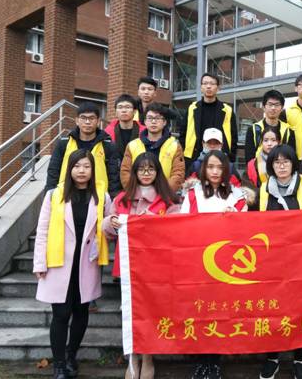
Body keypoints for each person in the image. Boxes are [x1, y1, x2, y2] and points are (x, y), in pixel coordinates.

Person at [33, 149, 111, 379]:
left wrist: (113, 223)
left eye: (86, 166)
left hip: (86, 263)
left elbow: (108, 228)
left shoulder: (102, 196)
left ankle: (70, 356)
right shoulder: (53, 195)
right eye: (77, 166)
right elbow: (42, 231)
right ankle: (58, 365)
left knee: (81, 312)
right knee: (60, 314)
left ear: (93, 170)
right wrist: (40, 263)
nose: (81, 171)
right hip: (58, 263)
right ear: (69, 169)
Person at [103, 152, 180, 379]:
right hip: (129, 268)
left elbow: (176, 229)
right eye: (141, 169)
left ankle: (148, 357)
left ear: (158, 172)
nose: (146, 173)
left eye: (151, 169)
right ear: (135, 172)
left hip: (156, 269)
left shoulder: (168, 200)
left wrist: (155, 223)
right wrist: (111, 222)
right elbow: (107, 229)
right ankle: (132, 359)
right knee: (129, 313)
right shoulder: (122, 199)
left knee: (151, 314)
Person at [251, 144, 302, 379]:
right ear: (271, 165)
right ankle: (272, 358)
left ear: (293, 164)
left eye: (286, 161)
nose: (281, 166)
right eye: (276, 162)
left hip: (301, 261)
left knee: (300, 309)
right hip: (271, 262)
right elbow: (253, 225)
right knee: (272, 309)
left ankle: (299, 359)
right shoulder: (263, 190)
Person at [180, 150, 247, 379]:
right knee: (199, 311)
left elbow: (245, 228)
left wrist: (234, 216)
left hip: (226, 265)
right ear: (204, 169)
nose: (215, 172)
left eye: (219, 167)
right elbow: (182, 226)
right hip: (197, 262)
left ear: (226, 169)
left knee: (220, 312)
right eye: (210, 167)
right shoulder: (193, 194)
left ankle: (215, 362)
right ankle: (200, 361)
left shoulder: (237, 196)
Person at [46, 101, 121, 199]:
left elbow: (113, 177)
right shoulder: (64, 143)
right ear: (77, 120)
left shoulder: (108, 145)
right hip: (66, 197)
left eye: (91, 118)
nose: (87, 122)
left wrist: (113, 200)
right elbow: (53, 172)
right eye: (83, 118)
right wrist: (50, 196)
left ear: (98, 121)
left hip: (98, 198)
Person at [120, 103, 185, 193]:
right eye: (150, 118)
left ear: (164, 122)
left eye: (157, 118)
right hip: (137, 196)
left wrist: (164, 193)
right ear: (145, 121)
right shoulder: (132, 145)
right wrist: (136, 193)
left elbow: (178, 174)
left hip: (165, 196)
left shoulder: (174, 146)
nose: (153, 121)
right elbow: (125, 172)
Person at [180, 72, 238, 169]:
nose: (208, 86)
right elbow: (183, 133)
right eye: (205, 83)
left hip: (221, 158)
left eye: (212, 83)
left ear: (218, 88)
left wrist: (231, 157)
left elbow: (234, 136)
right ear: (201, 87)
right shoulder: (192, 108)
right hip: (194, 158)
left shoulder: (227, 110)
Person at [244, 89, 295, 163]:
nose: (273, 108)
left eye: (277, 105)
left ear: (282, 108)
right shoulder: (254, 129)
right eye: (270, 104)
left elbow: (291, 157)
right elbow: (249, 159)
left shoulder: (288, 130)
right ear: (264, 107)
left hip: (281, 168)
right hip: (259, 169)